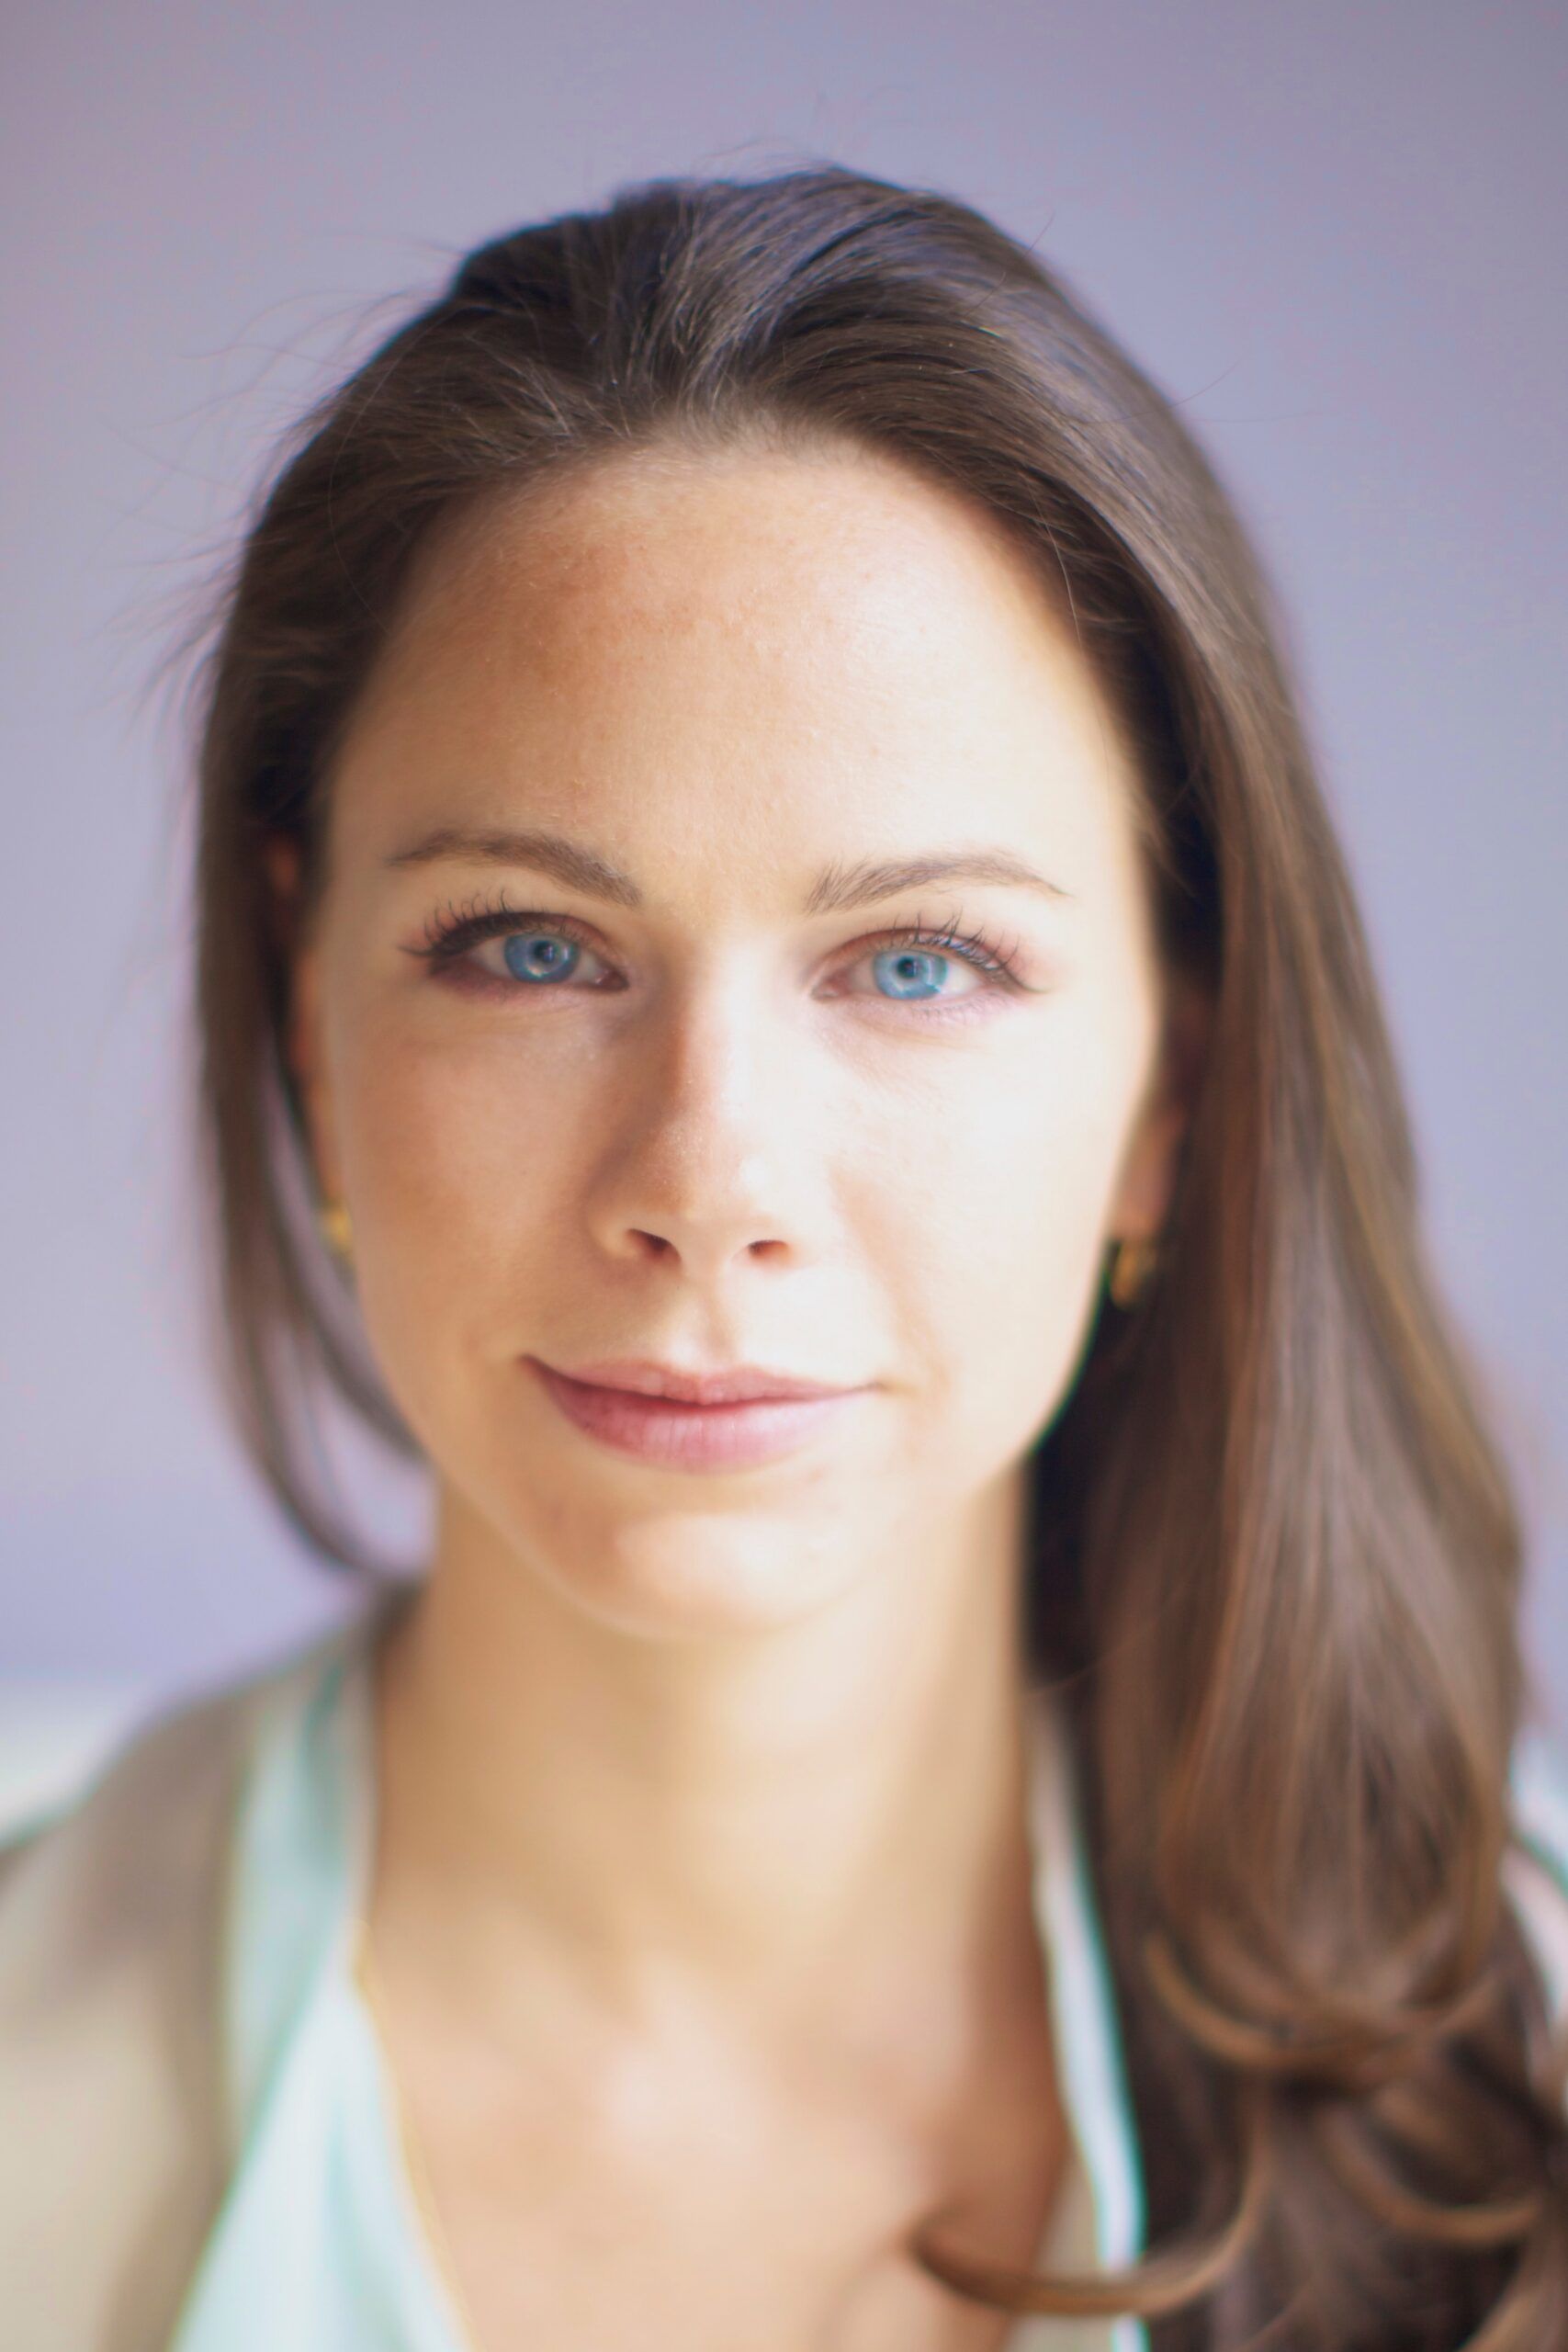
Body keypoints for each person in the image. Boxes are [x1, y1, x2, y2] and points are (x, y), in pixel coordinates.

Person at [2, 163, 1565, 2352]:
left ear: (1168, 1091)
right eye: (530, 947)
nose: (706, 1172)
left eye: (915, 960)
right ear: (305, 1023)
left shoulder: (1530, 2108)